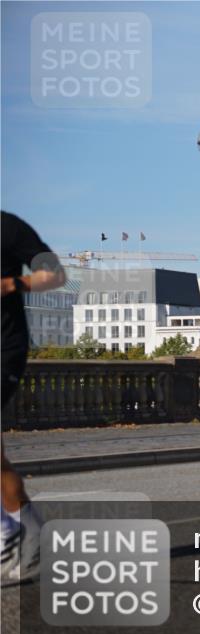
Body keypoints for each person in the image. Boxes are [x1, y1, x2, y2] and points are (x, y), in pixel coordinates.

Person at [1, 211, 65, 584]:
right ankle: (29, 532)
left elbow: (55, 274)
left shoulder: (7, 228)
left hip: (3, 348)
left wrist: (12, 284)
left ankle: (9, 536)